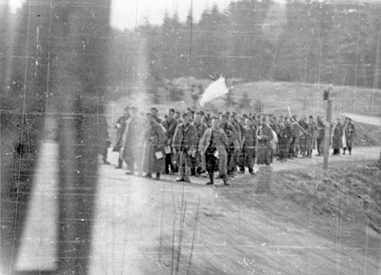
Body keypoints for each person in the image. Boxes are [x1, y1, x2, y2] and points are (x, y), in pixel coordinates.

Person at [199, 117, 229, 186]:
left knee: (221, 166)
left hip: (218, 152)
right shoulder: (207, 131)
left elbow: (226, 141)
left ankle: (225, 181)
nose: (215, 124)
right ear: (211, 123)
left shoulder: (221, 132)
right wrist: (201, 150)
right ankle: (211, 180)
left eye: (216, 122)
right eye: (213, 122)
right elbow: (203, 141)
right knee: (210, 166)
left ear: (219, 123)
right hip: (209, 151)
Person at [172, 113, 197, 183]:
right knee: (180, 163)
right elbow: (176, 137)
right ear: (182, 119)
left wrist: (192, 149)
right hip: (181, 147)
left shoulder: (192, 127)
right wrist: (174, 147)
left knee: (188, 163)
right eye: (184, 118)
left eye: (187, 118)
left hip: (188, 148)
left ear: (189, 118)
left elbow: (195, 139)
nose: (185, 119)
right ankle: (181, 176)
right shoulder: (179, 127)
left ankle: (187, 177)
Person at [142, 113, 166, 180]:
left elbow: (161, 136)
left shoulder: (158, 126)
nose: (149, 119)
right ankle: (149, 173)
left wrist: (159, 144)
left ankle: (158, 175)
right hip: (150, 146)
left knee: (158, 160)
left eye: (150, 117)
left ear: (153, 118)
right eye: (147, 118)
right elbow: (145, 135)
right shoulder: (148, 126)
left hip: (157, 147)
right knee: (149, 160)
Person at [162, 108, 178, 174]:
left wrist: (171, 139)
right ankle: (165, 168)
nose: (170, 115)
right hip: (165, 140)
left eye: (172, 114)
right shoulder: (164, 122)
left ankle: (172, 168)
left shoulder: (175, 122)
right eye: (169, 114)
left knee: (171, 155)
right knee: (165, 154)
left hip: (172, 140)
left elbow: (176, 132)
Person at [192, 111, 208, 176]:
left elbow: (206, 136)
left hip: (201, 144)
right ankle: (192, 169)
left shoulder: (204, 126)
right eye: (196, 117)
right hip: (193, 143)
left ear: (201, 118)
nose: (197, 119)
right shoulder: (191, 125)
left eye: (199, 117)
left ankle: (199, 169)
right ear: (194, 118)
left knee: (200, 156)